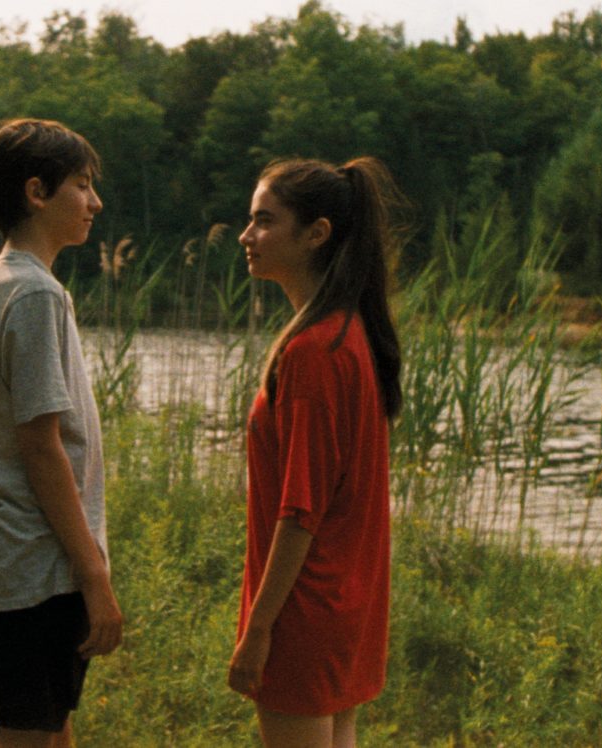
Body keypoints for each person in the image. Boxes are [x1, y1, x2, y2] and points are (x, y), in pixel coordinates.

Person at [228, 157, 404, 748]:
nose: (246, 235)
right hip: (344, 607)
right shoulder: (347, 334)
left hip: (305, 613)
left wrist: (258, 630)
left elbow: (299, 513)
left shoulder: (314, 352)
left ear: (316, 234)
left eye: (264, 221)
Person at [0, 118, 123, 748]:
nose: (95, 202)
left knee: (51, 731)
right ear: (37, 192)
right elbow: (39, 446)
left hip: (38, 565)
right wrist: (96, 576)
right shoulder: (32, 295)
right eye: (81, 186)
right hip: (39, 566)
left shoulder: (20, 283)